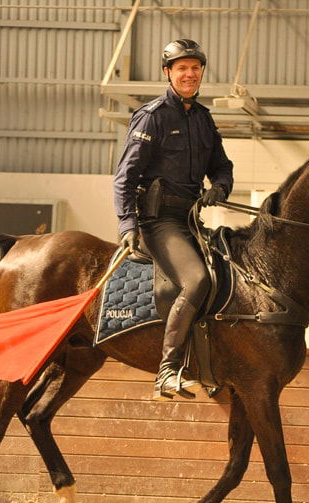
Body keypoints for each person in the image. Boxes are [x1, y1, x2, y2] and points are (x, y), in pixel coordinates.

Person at [113, 39, 234, 401]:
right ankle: (168, 371)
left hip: (191, 220)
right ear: (168, 73)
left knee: (227, 277)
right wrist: (127, 224)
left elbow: (222, 167)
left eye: (195, 68)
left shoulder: (203, 119)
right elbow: (125, 177)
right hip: (158, 221)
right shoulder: (152, 116)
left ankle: (209, 367)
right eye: (181, 68)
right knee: (196, 280)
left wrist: (221, 189)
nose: (189, 74)